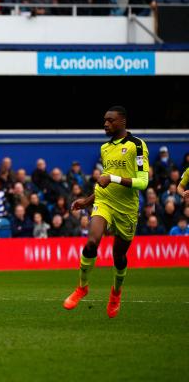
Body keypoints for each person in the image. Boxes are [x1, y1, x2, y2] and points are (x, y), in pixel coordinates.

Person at [63, 106, 149, 318]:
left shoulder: (137, 146)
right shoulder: (105, 148)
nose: (106, 124)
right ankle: (82, 287)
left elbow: (143, 182)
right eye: (104, 120)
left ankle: (116, 293)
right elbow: (104, 181)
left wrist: (113, 178)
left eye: (110, 120)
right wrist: (87, 201)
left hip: (127, 209)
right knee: (92, 242)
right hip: (104, 201)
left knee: (118, 256)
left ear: (123, 121)